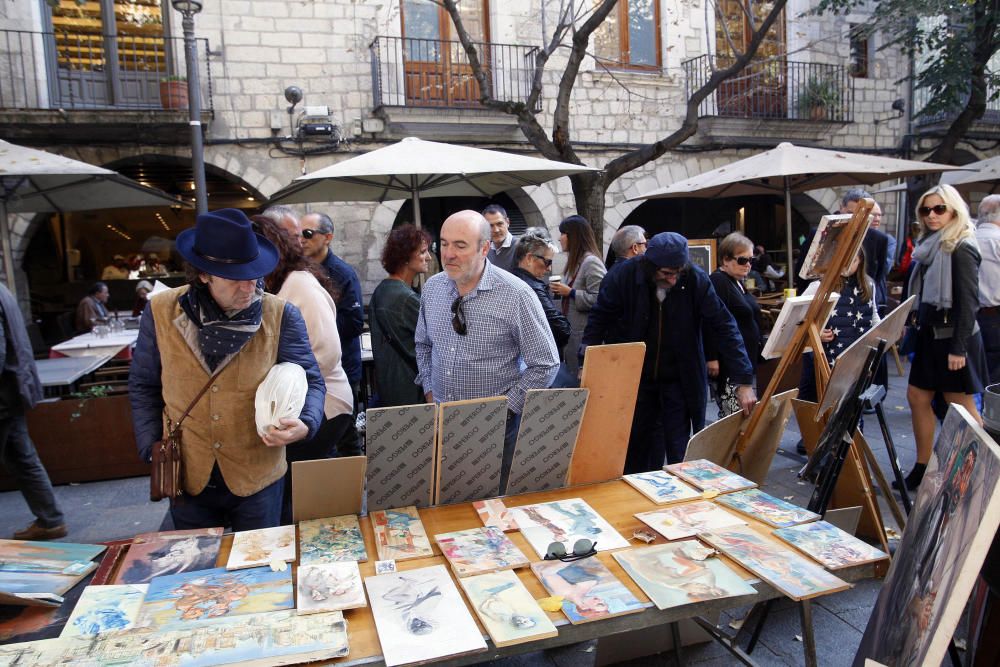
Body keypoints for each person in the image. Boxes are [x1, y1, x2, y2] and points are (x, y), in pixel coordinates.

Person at [129, 208, 325, 531]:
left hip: (257, 477)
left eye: (255, 274)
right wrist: (151, 447)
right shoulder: (160, 312)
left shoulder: (280, 315)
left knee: (262, 570)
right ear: (204, 275)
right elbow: (143, 384)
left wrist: (306, 423)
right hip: (188, 477)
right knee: (198, 575)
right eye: (237, 278)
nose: (250, 287)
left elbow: (312, 379)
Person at [582, 232, 756, 472]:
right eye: (666, 273)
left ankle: (678, 500)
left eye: (677, 273)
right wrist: (587, 363)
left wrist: (743, 381)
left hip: (679, 379)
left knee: (680, 450)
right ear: (650, 266)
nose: (673, 279)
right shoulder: (623, 275)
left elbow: (724, 325)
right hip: (636, 380)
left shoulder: (695, 278)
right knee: (636, 449)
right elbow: (598, 319)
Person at [414, 210, 559, 489]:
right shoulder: (432, 288)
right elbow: (423, 344)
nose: (448, 254)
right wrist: (430, 389)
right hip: (442, 423)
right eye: (443, 244)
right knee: (449, 507)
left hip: (495, 431)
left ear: (484, 248)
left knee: (492, 515)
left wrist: (505, 409)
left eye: (460, 245)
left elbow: (546, 363)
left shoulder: (516, 294)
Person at [252, 215, 355, 524]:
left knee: (306, 501)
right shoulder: (279, 282)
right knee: (305, 498)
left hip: (325, 403)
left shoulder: (299, 284)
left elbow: (325, 351)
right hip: (302, 404)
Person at [902, 184, 989, 491]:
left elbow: (969, 302)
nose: (932, 216)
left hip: (955, 339)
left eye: (939, 209)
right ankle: (923, 466)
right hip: (929, 336)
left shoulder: (961, 245)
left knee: (961, 409)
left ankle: (978, 471)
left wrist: (959, 348)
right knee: (917, 397)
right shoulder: (929, 245)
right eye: (926, 210)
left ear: (954, 210)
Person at [0, 282, 67, 540]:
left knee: (23, 457)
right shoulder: (4, 289)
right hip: (13, 389)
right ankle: (51, 519)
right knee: (22, 457)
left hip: (4, 394)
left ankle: (51, 519)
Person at [300, 211, 365, 458]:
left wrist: (319, 317)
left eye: (307, 234)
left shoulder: (343, 274)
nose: (302, 240)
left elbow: (355, 323)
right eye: (298, 235)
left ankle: (353, 490)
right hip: (311, 370)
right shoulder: (300, 272)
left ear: (328, 237)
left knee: (346, 433)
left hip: (343, 369)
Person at [370, 224, 432, 407]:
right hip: (411, 393)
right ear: (405, 257)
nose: (428, 257)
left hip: (392, 392)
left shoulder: (382, 290)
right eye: (423, 252)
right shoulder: (404, 298)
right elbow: (434, 343)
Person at [705, 233, 762, 417]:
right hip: (729, 362)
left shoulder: (736, 281)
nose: (748, 265)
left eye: (751, 259)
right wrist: (711, 357)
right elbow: (711, 321)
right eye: (743, 259)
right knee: (734, 413)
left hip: (743, 359)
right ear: (726, 259)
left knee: (744, 411)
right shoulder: (719, 281)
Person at [550, 215, 606, 376]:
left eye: (563, 233)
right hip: (574, 336)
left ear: (573, 236)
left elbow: (600, 299)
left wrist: (571, 292)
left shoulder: (591, 262)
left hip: (585, 338)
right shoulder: (576, 262)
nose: (560, 238)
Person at [510, 232, 571, 354]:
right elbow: (561, 329)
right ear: (529, 259)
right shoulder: (532, 288)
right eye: (547, 262)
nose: (549, 268)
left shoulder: (510, 279)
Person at [976, 195, 1000, 384]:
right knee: (993, 375)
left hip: (968, 315)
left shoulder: (965, 238)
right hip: (993, 315)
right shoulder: (997, 240)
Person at [483, 204, 518, 273]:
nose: (496, 230)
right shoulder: (486, 250)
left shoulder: (521, 247)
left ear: (507, 222)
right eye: (490, 226)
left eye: (499, 224)